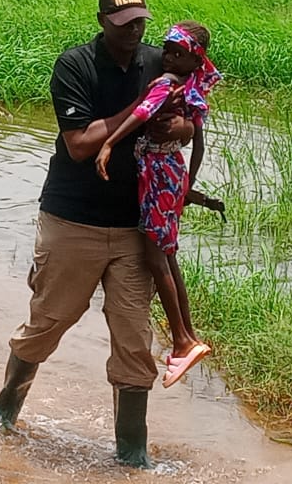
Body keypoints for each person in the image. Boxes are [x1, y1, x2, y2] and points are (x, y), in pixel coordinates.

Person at [0, 0, 194, 468]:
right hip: (72, 220)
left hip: (133, 229)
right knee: (47, 324)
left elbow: (188, 126)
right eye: (123, 25)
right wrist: (143, 110)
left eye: (140, 23)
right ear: (102, 22)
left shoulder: (157, 63)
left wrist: (178, 126)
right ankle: (3, 415)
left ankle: (132, 460)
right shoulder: (75, 66)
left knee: (134, 343)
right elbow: (80, 145)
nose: (133, 33)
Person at [95, 21, 221, 387]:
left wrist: (107, 143)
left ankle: (182, 341)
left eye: (175, 52)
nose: (166, 56)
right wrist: (188, 185)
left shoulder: (166, 84)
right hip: (172, 173)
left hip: (156, 172)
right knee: (168, 255)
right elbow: (198, 143)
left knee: (155, 257)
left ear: (191, 59)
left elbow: (141, 114)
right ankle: (189, 336)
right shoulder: (190, 88)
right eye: (166, 49)